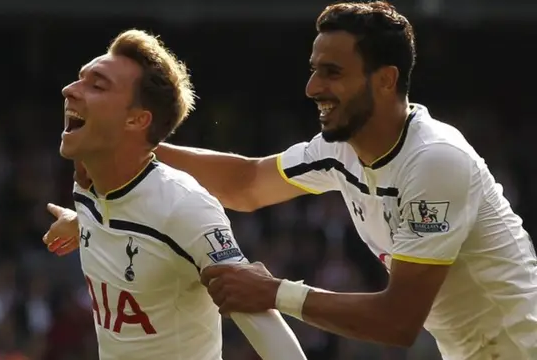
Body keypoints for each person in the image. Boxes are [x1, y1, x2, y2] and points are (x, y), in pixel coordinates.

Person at [46, 3, 537, 359]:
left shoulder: (434, 161)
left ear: (385, 80)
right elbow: (246, 183)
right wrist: (127, 145)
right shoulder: (342, 148)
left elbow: (397, 321)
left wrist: (275, 292)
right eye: (313, 71)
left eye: (332, 72)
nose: (312, 88)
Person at [41, 29, 306, 360]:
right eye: (79, 79)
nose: (69, 90)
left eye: (97, 85)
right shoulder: (88, 180)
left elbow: (261, 319)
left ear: (137, 119)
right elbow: (125, 222)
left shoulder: (185, 206)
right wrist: (80, 224)